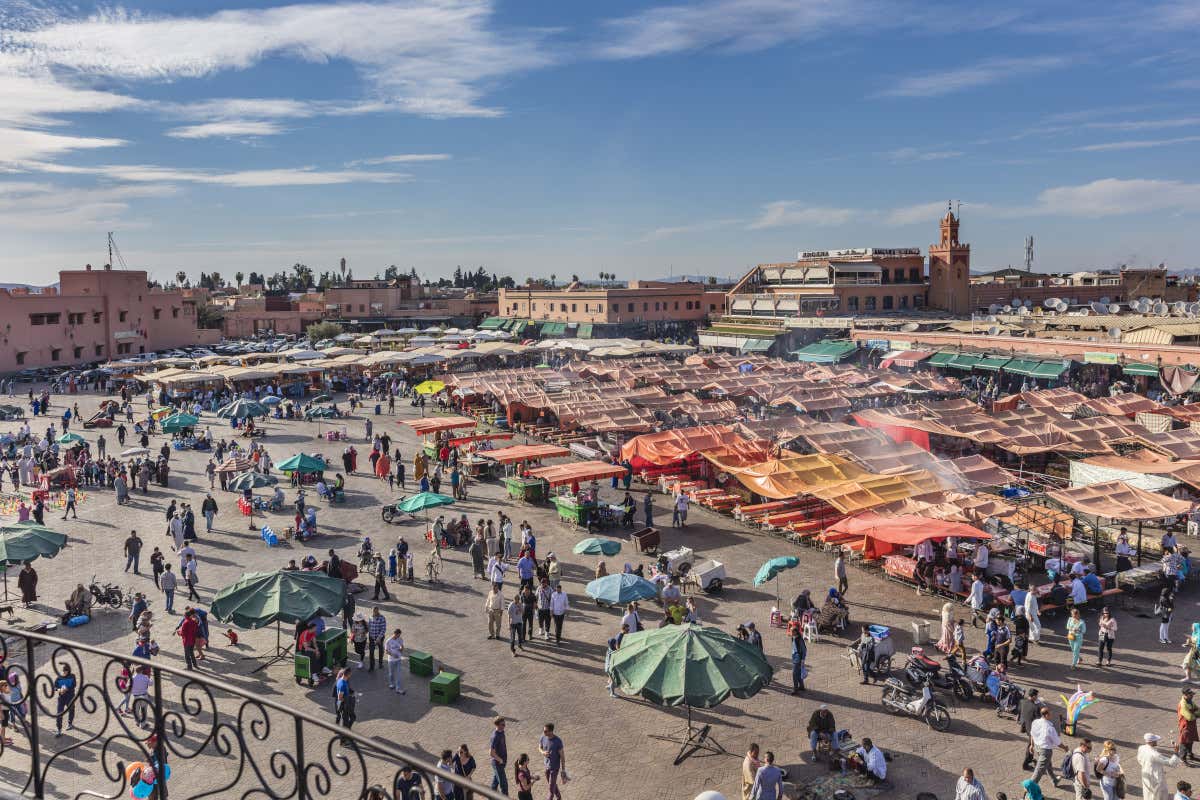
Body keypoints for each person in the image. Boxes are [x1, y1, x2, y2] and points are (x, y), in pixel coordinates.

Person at [1030, 706, 1068, 787]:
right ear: (1046, 715)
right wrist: (1065, 748)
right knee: (1039, 771)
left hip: (1038, 747)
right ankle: (1030, 788)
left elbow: (1032, 734)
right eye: (1050, 713)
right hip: (1045, 751)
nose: (1051, 715)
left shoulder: (1035, 722)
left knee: (1048, 765)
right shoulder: (1050, 728)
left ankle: (1054, 780)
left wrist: (1032, 745)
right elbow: (1057, 742)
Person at [1139, 733, 1180, 800]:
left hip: (1146, 774)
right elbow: (1171, 763)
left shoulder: (1141, 748)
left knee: (1148, 793)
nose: (1157, 742)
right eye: (1155, 741)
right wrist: (1176, 752)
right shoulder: (1155, 754)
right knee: (1158, 795)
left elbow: (1140, 760)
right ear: (1151, 742)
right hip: (1156, 778)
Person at [538, 723, 565, 800]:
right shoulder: (543, 737)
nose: (544, 732)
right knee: (552, 784)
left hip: (554, 768)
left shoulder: (558, 741)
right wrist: (543, 752)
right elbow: (539, 747)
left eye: (546, 731)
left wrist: (563, 770)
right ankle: (559, 797)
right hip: (546, 766)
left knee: (550, 788)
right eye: (543, 730)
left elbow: (562, 757)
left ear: (551, 731)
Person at [53, 664, 77, 736]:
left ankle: (70, 723)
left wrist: (67, 689)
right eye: (64, 671)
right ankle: (59, 729)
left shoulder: (72, 676)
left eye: (66, 671)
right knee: (59, 713)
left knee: (71, 709)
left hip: (70, 697)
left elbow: (74, 685)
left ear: (69, 671)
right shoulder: (59, 678)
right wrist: (59, 689)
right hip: (61, 698)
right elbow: (54, 687)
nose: (65, 672)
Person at [489, 716, 509, 795]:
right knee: (504, 785)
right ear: (497, 725)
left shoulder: (501, 731)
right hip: (498, 764)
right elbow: (491, 753)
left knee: (495, 782)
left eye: (504, 724)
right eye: (503, 724)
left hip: (502, 763)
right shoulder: (495, 736)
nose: (504, 725)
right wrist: (500, 760)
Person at [1180, 688, 1199, 765]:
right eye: (1190, 694)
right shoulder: (1183, 704)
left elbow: (1197, 709)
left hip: (1191, 725)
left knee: (1190, 740)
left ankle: (1190, 755)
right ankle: (1183, 758)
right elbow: (1189, 717)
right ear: (1185, 695)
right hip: (1185, 725)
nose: (1192, 695)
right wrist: (1196, 714)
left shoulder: (1190, 701)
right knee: (1184, 741)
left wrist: (1195, 713)